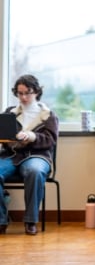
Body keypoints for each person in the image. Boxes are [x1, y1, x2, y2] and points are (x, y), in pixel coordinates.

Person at [0, 74, 58, 236]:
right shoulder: (9, 113)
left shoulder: (47, 115)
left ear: (36, 92)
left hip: (37, 156)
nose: (24, 97)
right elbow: (4, 137)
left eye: (28, 92)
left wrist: (32, 137)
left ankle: (31, 220)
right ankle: (1, 221)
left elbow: (50, 140)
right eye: (20, 93)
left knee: (35, 171)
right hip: (11, 156)